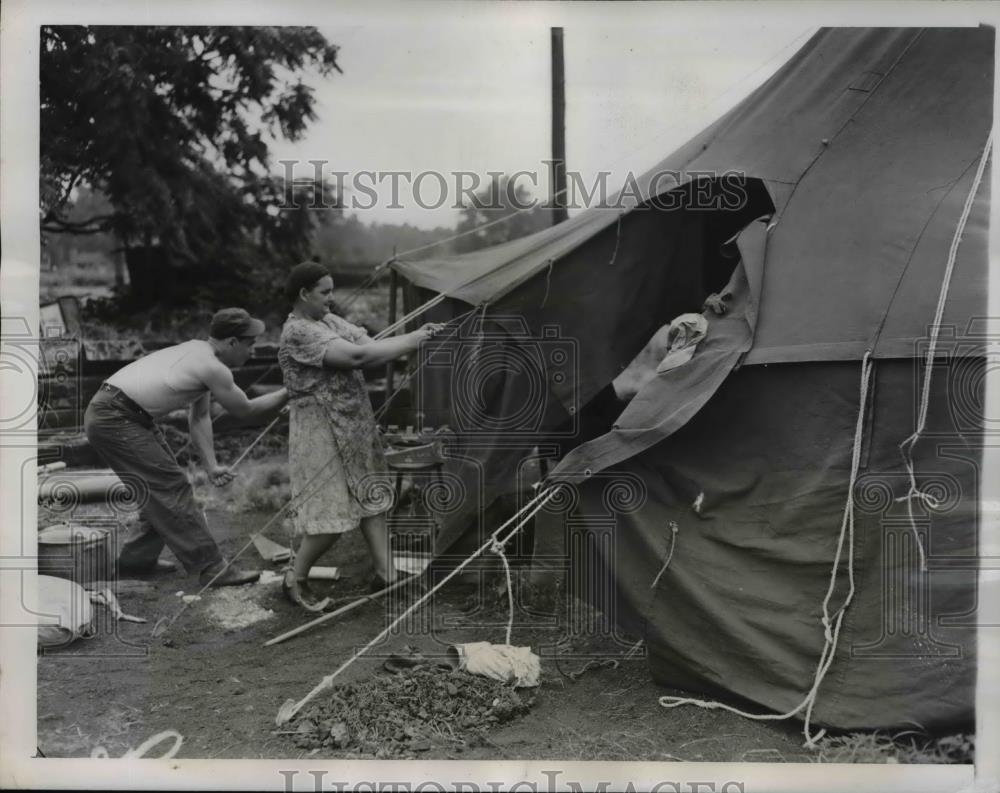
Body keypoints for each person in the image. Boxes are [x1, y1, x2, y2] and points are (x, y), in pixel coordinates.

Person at [278, 261, 444, 611]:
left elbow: (368, 343)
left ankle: (387, 575)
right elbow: (357, 356)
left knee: (373, 499)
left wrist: (416, 337)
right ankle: (295, 577)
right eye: (324, 292)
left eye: (332, 290)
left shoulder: (327, 321)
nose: (331, 298)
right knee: (330, 517)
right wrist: (413, 338)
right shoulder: (298, 332)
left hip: (353, 423)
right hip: (321, 430)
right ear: (304, 294)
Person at [83, 308, 289, 587]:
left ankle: (136, 562)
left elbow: (200, 416)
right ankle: (211, 568)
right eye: (249, 344)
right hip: (115, 417)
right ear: (231, 343)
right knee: (171, 486)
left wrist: (212, 465)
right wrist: (292, 389)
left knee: (158, 487)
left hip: (123, 412)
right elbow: (246, 410)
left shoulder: (200, 352)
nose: (250, 352)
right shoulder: (212, 367)